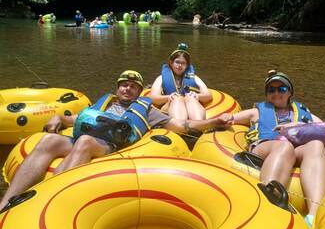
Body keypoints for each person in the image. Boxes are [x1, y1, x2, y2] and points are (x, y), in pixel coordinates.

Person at [0, 70, 231, 212]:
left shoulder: (148, 111)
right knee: (48, 141)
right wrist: (56, 116)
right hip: (83, 137)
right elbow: (73, 118)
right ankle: (6, 203)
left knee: (85, 142)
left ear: (140, 91)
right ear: (117, 87)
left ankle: (43, 200)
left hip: (108, 147)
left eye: (133, 86)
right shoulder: (105, 102)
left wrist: (214, 122)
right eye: (123, 84)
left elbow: (182, 126)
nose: (127, 88)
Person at [221, 70, 325, 227]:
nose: (276, 93)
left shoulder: (304, 112)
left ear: (289, 92)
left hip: (296, 150)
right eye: (271, 90)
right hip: (265, 146)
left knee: (316, 145)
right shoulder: (257, 111)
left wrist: (300, 125)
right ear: (266, 94)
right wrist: (226, 117)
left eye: (282, 89)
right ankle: (269, 208)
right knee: (284, 146)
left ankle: (313, 217)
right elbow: (231, 118)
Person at [150, 43, 213, 121]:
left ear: (187, 65)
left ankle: (198, 125)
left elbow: (208, 95)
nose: (180, 65)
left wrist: (197, 95)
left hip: (190, 106)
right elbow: (153, 98)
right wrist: (169, 97)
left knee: (190, 97)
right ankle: (182, 128)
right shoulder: (160, 79)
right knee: (177, 98)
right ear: (171, 63)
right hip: (169, 106)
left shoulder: (194, 78)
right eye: (177, 62)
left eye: (183, 63)